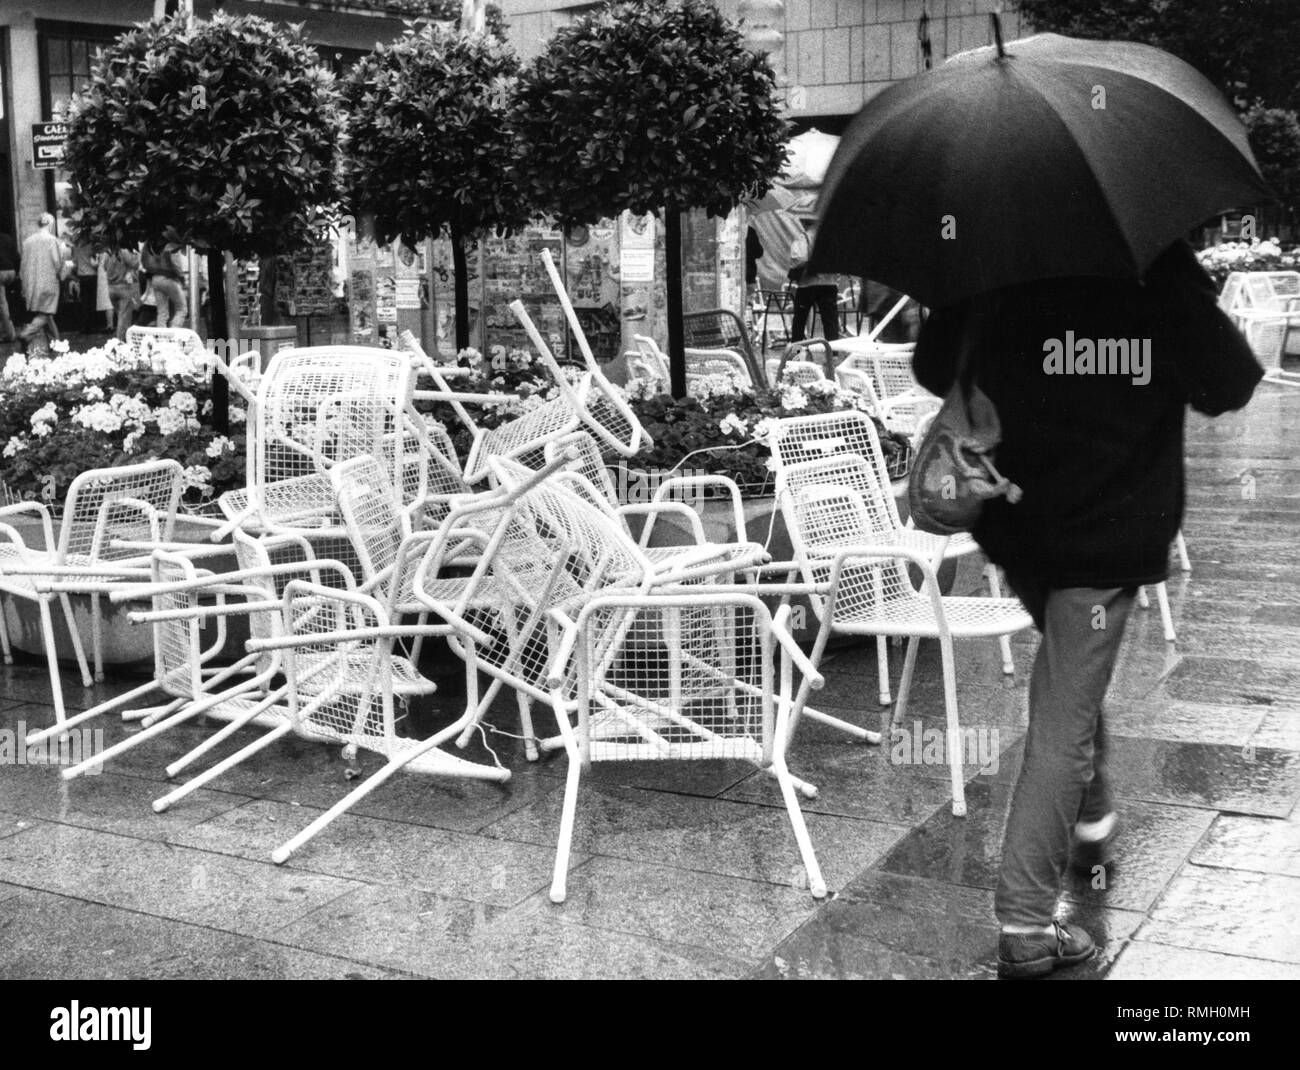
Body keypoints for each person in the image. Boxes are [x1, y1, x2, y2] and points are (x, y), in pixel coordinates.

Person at [912, 239, 1263, 979]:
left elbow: (932, 367)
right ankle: (1027, 924)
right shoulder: (1151, 264)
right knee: (1064, 719)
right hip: (1103, 533)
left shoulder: (996, 249)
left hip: (1018, 525)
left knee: (1071, 683)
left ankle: (1093, 816)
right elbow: (1229, 381)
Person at [17, 213, 65, 354]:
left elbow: (23, 265)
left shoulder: (27, 242)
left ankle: (56, 344)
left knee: (46, 314)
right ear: (50, 224)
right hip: (48, 281)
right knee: (46, 312)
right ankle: (27, 333)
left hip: (32, 283)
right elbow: (57, 263)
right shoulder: (52, 241)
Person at [788, 221, 840, 343]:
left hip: (807, 284)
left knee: (800, 321)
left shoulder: (804, 237)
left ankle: (797, 356)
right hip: (829, 284)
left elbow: (799, 258)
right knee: (830, 321)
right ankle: (833, 355)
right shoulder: (832, 237)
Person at [141, 241, 187, 327]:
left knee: (162, 312)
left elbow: (143, 261)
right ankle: (174, 331)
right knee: (182, 309)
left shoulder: (148, 244)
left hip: (155, 278)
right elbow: (175, 263)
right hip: (168, 278)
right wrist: (182, 278)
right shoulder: (170, 244)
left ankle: (162, 337)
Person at [103, 247, 142, 342]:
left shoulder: (107, 253)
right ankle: (120, 341)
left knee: (120, 315)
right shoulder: (123, 251)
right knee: (123, 317)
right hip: (123, 287)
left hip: (111, 288)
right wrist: (137, 255)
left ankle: (122, 339)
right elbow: (135, 264)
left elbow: (104, 267)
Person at [0, 227, 19, 343]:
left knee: (2, 305)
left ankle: (10, 334)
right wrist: (16, 272)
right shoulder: (7, 238)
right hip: (11, 272)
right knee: (4, 301)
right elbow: (17, 257)